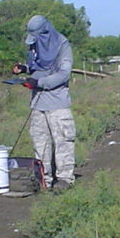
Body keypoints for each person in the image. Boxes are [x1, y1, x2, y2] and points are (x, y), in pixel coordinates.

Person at [12, 15, 76, 190]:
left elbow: (64, 74)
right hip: (37, 104)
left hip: (57, 103)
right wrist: (24, 69)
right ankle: (43, 180)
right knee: (40, 143)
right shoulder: (34, 45)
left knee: (63, 141)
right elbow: (37, 66)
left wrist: (39, 82)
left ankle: (64, 179)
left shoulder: (63, 45)